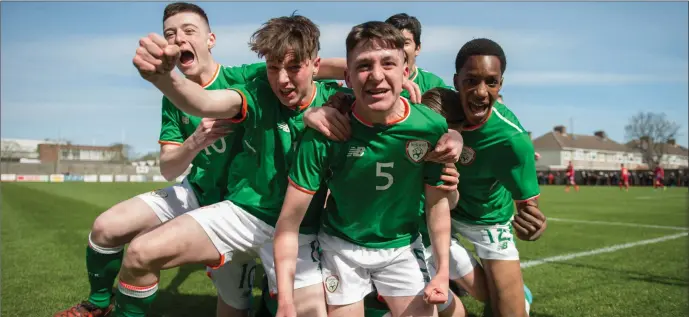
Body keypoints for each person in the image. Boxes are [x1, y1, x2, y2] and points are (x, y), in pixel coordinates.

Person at [121, 13, 357, 317]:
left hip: (300, 230)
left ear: (316, 65)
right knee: (140, 253)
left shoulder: (339, 101)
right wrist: (165, 79)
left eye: (294, 67)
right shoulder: (258, 91)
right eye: (273, 68)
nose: (282, 80)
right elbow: (204, 103)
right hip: (243, 213)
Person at [307, 38, 547, 317]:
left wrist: (534, 223)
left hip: (485, 216)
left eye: (491, 82)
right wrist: (321, 108)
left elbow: (529, 211)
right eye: (471, 81)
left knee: (503, 304)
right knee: (428, 291)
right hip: (428, 216)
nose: (480, 92)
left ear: (500, 84)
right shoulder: (427, 107)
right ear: (456, 81)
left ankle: (513, 295)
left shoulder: (511, 139)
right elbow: (335, 79)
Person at [273, 21, 454, 317]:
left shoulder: (429, 127)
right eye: (364, 65)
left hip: (401, 248)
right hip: (341, 247)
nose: (377, 76)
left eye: (388, 63)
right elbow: (288, 225)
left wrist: (443, 271)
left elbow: (437, 204)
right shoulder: (325, 132)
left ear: (406, 71)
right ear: (347, 76)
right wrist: (286, 303)